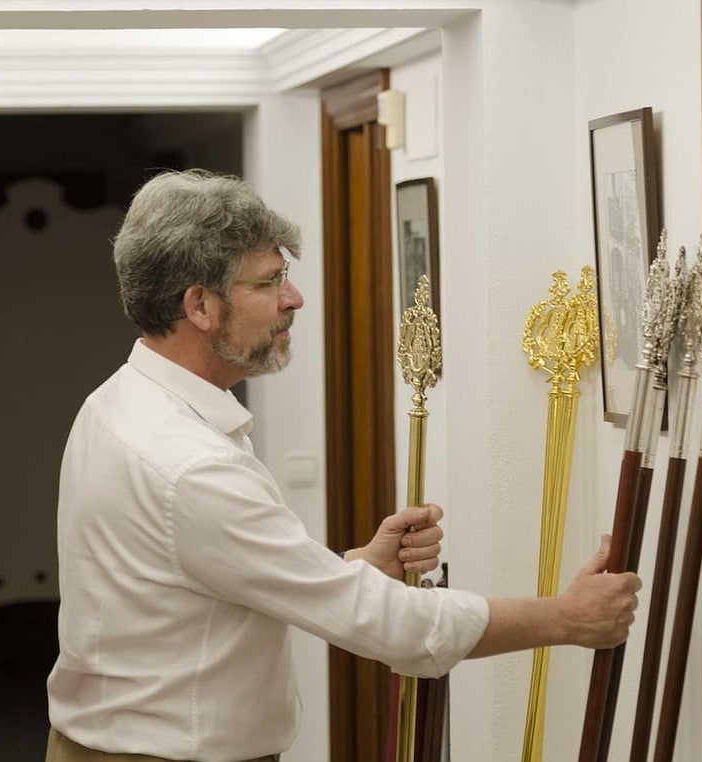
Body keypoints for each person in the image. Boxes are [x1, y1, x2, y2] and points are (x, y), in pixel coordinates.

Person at [45, 169, 642, 762]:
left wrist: (354, 566)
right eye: (269, 281)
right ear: (199, 305)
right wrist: (565, 619)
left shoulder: (117, 403)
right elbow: (392, 627)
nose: (293, 298)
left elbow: (203, 578)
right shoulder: (189, 464)